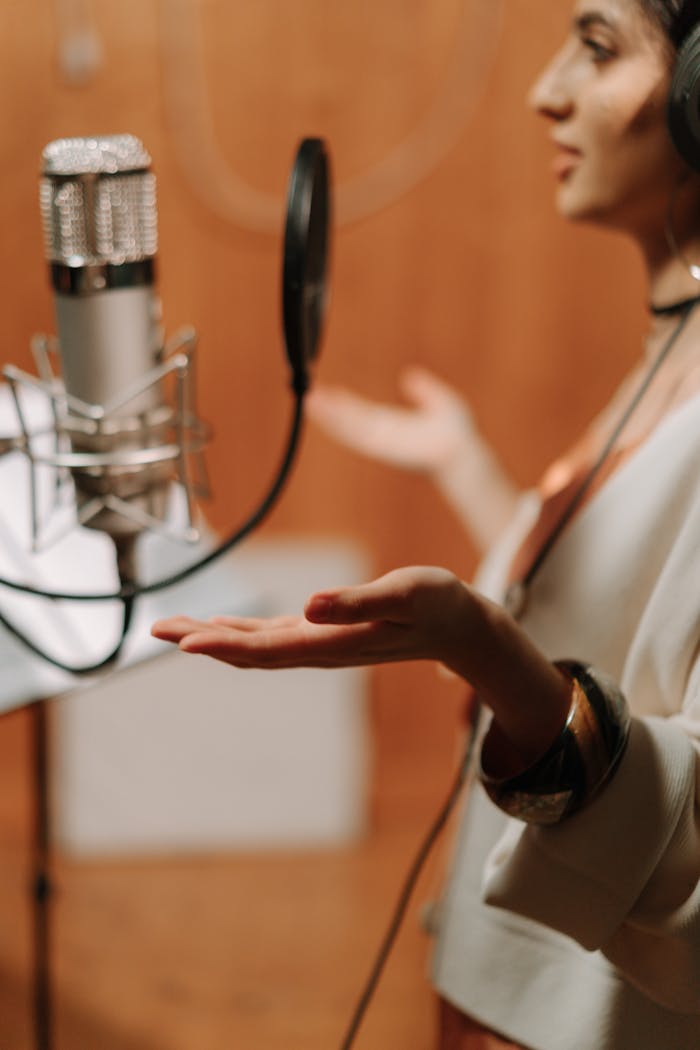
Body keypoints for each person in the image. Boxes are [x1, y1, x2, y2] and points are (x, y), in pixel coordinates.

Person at [152, 1, 700, 1046]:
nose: (544, 91)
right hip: (501, 987)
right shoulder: (671, 351)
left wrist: (484, 650)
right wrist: (469, 470)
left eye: (596, 49)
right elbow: (624, 615)